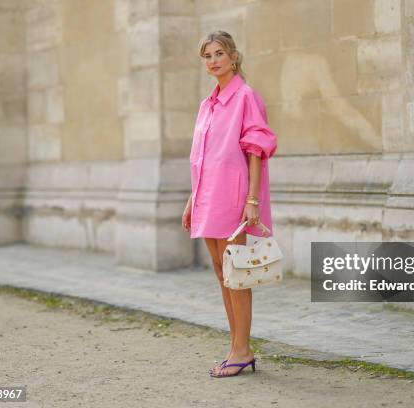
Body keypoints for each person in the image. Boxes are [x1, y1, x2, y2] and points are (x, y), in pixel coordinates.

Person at [181, 30, 277, 378]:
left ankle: (241, 350)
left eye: (219, 53)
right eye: (207, 56)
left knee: (237, 273)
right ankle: (237, 348)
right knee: (222, 272)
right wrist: (192, 199)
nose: (213, 60)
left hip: (234, 196)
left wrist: (252, 199)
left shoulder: (245, 97)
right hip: (207, 197)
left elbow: (256, 149)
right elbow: (202, 158)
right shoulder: (207, 104)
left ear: (233, 56)